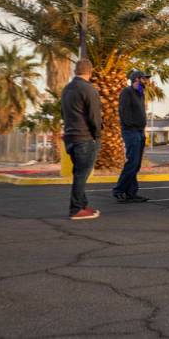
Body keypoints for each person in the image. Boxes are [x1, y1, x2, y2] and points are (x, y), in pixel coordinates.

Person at [60, 58, 103, 220]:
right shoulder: (88, 89)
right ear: (90, 72)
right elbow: (94, 116)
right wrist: (97, 135)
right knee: (81, 174)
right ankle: (76, 209)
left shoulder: (67, 89)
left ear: (75, 71)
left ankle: (83, 204)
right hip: (84, 138)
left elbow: (63, 113)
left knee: (79, 172)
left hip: (70, 136)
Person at [112, 70, 151, 203]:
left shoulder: (140, 94)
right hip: (131, 132)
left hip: (139, 131)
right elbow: (123, 112)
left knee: (136, 164)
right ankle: (118, 190)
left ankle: (131, 193)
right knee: (132, 162)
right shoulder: (126, 92)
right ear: (136, 79)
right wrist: (131, 126)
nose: (146, 81)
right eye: (144, 79)